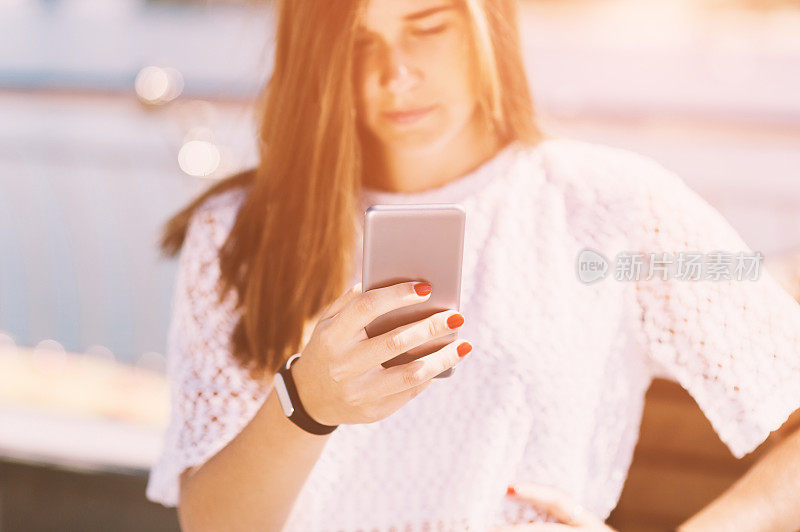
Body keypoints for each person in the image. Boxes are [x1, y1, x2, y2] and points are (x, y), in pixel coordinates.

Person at [145, 0, 800, 531]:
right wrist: (304, 405)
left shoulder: (613, 205)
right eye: (358, 42)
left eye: (427, 27)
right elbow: (214, 524)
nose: (394, 75)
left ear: (491, 20)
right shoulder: (238, 232)